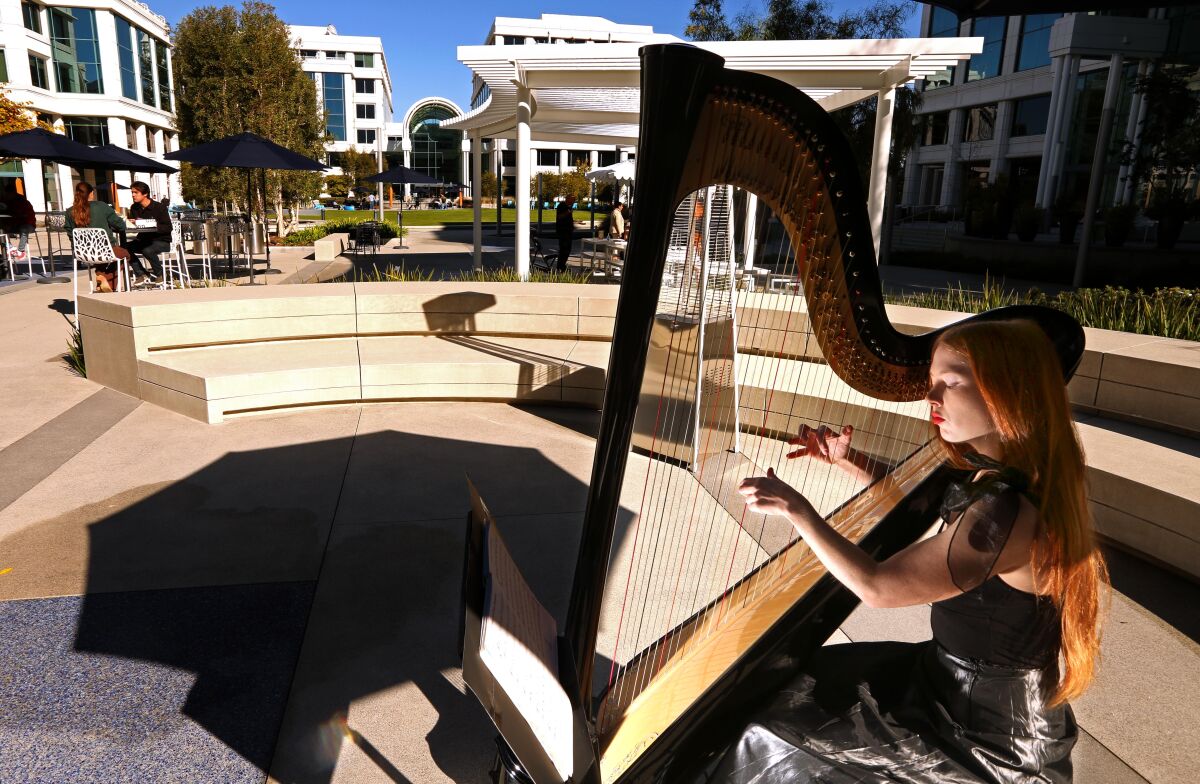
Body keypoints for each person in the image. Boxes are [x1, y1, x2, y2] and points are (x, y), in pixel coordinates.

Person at [718, 318, 1107, 784]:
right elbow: (924, 506)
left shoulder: (1005, 514)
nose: (932, 396)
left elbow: (879, 587)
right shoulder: (1000, 473)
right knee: (798, 681)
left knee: (771, 727)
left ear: (1009, 390)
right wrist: (848, 461)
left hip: (985, 736)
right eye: (932, 382)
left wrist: (798, 511)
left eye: (952, 381)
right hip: (949, 684)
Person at [65, 182, 129, 293]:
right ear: (91, 193)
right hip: (106, 250)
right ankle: (105, 279)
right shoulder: (101, 206)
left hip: (83, 253)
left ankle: (102, 280)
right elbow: (120, 226)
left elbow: (70, 233)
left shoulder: (70, 211)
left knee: (102, 259)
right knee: (126, 255)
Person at [123, 181, 171, 283]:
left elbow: (168, 227)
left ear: (145, 194)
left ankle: (160, 274)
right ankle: (142, 274)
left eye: (136, 192)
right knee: (125, 248)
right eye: (132, 192)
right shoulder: (134, 208)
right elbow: (135, 225)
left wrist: (148, 224)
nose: (133, 195)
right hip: (143, 240)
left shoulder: (159, 207)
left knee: (147, 250)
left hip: (162, 241)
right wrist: (131, 223)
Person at [3, 183, 37, 263]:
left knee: (24, 229)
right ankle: (9, 246)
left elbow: (25, 215)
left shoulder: (22, 201)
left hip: (28, 224)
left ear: (12, 193)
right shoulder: (9, 201)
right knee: (2, 229)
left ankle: (21, 250)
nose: (7, 196)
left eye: (8, 194)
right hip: (16, 224)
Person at [554, 201, 574, 272]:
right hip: (563, 232)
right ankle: (560, 267)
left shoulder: (568, 207)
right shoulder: (562, 206)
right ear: (568, 198)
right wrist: (568, 212)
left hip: (568, 232)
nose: (573, 201)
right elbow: (560, 216)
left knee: (567, 250)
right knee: (564, 250)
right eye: (572, 199)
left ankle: (562, 266)